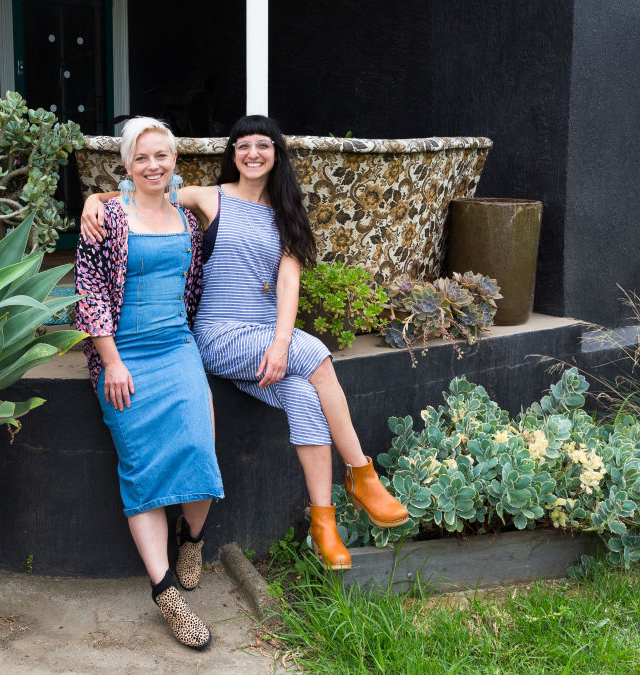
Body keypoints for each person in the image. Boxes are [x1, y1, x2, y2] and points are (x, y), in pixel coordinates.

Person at [80, 115, 408, 571]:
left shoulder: (287, 214)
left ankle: (323, 522)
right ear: (232, 153)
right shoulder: (208, 197)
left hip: (263, 338)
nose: (253, 153)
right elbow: (141, 191)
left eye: (263, 145)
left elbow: (289, 283)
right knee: (317, 357)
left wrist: (279, 343)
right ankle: (360, 473)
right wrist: (94, 199)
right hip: (218, 334)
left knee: (303, 396)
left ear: (277, 153)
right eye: (243, 145)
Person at [73, 116, 223, 650]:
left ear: (175, 161)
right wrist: (111, 361)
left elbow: (199, 281)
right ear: (126, 165)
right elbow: (88, 292)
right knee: (140, 467)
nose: (153, 165)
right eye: (142, 157)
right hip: (124, 357)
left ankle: (194, 539)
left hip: (177, 348)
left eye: (162, 155)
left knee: (200, 448)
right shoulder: (107, 217)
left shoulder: (187, 218)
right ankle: (165, 593)